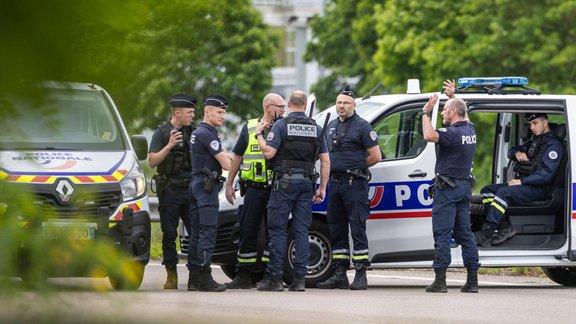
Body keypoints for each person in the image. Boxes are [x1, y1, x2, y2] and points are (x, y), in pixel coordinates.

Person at [254, 90, 330, 292]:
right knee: (301, 231)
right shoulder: (316, 128)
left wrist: (258, 135)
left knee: (278, 231)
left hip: (284, 184)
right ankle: (299, 281)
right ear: (305, 105)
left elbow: (269, 153)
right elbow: (325, 161)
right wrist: (322, 187)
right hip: (306, 185)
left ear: (288, 104)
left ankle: (276, 279)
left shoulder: (281, 125)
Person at [316, 85, 381, 290]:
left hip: (354, 184)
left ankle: (361, 274)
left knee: (357, 228)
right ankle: (339, 274)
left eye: (345, 103)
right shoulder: (331, 125)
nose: (341, 106)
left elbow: (375, 156)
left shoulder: (363, 127)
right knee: (337, 229)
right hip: (334, 184)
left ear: (354, 105)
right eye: (338, 102)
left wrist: (355, 167)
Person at [224, 93, 286, 289]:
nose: (284, 110)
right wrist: (229, 183)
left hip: (276, 189)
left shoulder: (284, 127)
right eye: (280, 106)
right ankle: (243, 276)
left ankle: (270, 275)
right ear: (268, 107)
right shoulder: (250, 127)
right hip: (253, 189)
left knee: (273, 232)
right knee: (247, 230)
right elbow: (237, 156)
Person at [474, 113, 564, 247]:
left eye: (535, 123)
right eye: (530, 124)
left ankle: (488, 230)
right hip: (528, 186)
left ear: (545, 123)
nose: (532, 127)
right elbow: (512, 151)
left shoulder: (554, 145)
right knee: (487, 190)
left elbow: (546, 175)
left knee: (504, 193)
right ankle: (504, 226)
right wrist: (517, 153)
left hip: (541, 189)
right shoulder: (536, 141)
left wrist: (521, 182)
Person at [421, 91, 479, 293]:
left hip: (447, 190)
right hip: (463, 188)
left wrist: (426, 112)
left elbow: (428, 135)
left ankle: (440, 280)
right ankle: (472, 281)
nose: (443, 113)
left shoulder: (452, 133)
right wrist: (453, 95)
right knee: (465, 235)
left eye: (445, 110)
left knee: (442, 234)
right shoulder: (470, 130)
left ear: (454, 112)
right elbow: (465, 114)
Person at [148, 94, 196, 289]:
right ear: (177, 113)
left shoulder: (194, 131)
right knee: (169, 234)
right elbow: (152, 162)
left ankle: (195, 277)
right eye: (189, 112)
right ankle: (172, 277)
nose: (193, 115)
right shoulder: (161, 132)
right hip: (170, 190)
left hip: (191, 188)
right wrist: (169, 146)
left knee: (196, 233)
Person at [186, 94, 232, 292]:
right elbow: (226, 164)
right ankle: (205, 278)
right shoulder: (208, 134)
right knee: (208, 231)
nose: (223, 116)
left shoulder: (198, 132)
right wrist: (234, 159)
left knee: (196, 232)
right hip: (206, 188)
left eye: (224, 112)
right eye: (219, 112)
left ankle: (193, 279)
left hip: (196, 184)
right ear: (208, 112)